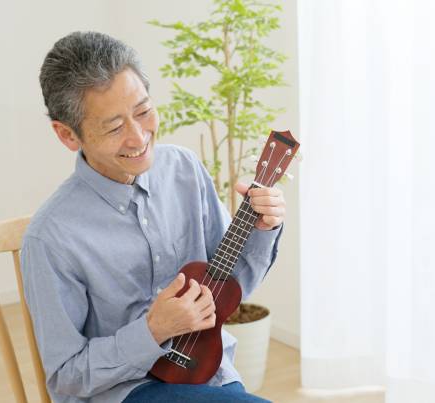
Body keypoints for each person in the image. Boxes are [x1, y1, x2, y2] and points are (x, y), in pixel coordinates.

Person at [21, 31, 285, 403]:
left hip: (211, 376)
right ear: (67, 135)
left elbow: (229, 288)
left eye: (144, 111)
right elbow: (65, 378)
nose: (138, 137)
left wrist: (262, 229)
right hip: (126, 391)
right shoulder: (50, 238)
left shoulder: (184, 169)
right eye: (114, 127)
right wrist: (151, 331)